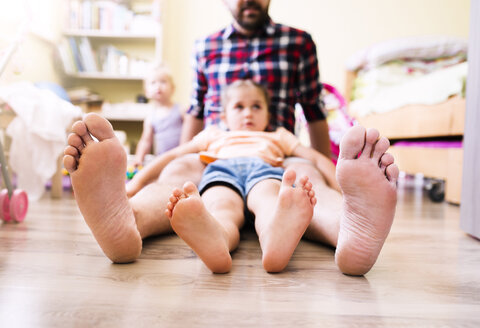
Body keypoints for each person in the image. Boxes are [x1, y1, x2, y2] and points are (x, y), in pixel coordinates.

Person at [63, 0, 399, 276]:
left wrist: (339, 178)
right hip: (215, 153)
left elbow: (313, 111)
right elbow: (194, 111)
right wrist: (151, 175)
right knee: (180, 177)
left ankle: (348, 227)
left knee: (304, 179)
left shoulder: (299, 42)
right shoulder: (205, 46)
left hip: (278, 158)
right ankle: (127, 220)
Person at [160, 80, 337, 273]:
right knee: (221, 206)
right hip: (222, 171)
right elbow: (172, 155)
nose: (248, 113)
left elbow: (316, 159)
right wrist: (136, 184)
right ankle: (217, 239)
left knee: (268, 201)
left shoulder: (278, 135)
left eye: (256, 106)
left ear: (268, 115)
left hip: (264, 171)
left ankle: (274, 238)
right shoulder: (213, 134)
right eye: (239, 107)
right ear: (224, 117)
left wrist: (339, 188)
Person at [132, 64, 183, 168]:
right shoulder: (151, 117)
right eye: (153, 83)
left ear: (173, 88)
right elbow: (145, 141)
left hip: (180, 159)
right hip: (161, 161)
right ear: (146, 92)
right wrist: (138, 159)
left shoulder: (181, 110)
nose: (158, 86)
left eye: (163, 82)